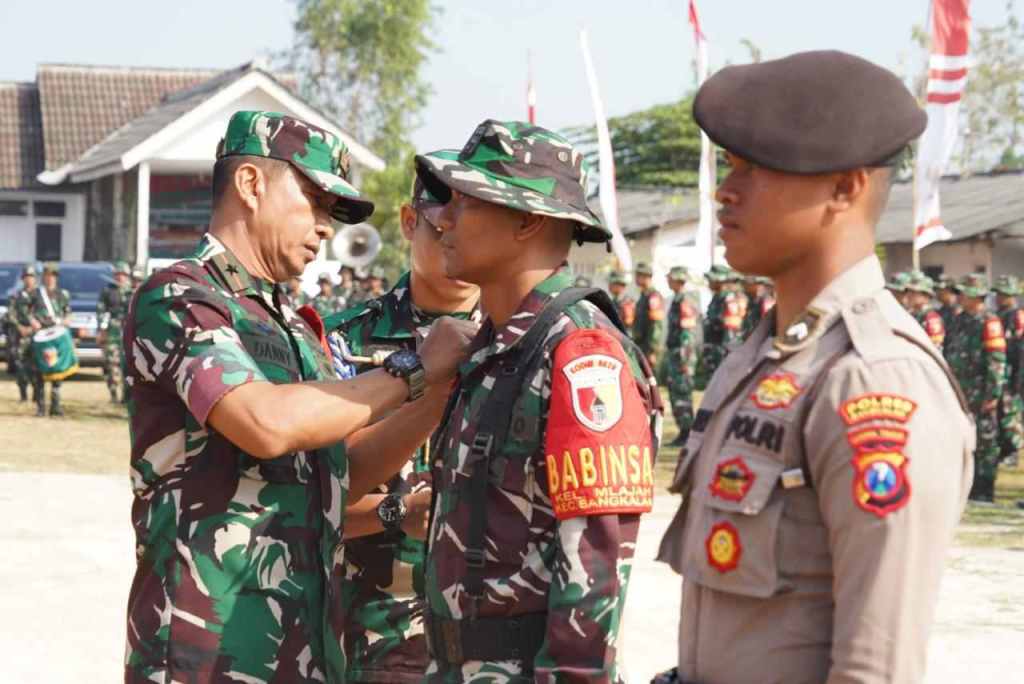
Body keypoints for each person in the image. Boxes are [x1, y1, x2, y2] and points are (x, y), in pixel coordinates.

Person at [121, 110, 476, 683]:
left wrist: (436, 397)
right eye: (314, 202)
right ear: (250, 184)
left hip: (305, 649)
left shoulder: (296, 328)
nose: (325, 227)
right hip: (207, 647)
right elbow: (263, 422)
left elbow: (342, 473)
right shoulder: (182, 298)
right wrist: (413, 369)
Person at [656, 51, 973, 683]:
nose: (726, 190)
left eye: (756, 167)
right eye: (730, 165)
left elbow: (875, 669)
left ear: (844, 189)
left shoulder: (873, 377)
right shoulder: (766, 356)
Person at [414, 119, 662, 682]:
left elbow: (596, 563)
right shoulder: (497, 345)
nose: (442, 219)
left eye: (464, 201)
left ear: (527, 219)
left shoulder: (580, 354)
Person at [322, 162, 481, 683]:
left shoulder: (520, 343)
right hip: (369, 633)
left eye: (475, 230)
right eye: (444, 228)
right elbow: (313, 497)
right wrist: (398, 512)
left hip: (486, 636)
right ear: (410, 222)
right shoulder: (341, 341)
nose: (459, 246)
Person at [946, 273, 1006, 503]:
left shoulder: (989, 322)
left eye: (964, 293)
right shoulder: (958, 320)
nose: (960, 297)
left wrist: (993, 394)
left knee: (985, 443)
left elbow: (996, 360)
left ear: (975, 296)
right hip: (959, 393)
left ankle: (984, 489)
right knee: (961, 440)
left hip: (981, 393)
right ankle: (967, 487)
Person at [20, 263, 72, 417]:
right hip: (41, 337)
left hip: (56, 337)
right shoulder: (35, 294)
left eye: (53, 276)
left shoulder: (62, 294)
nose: (50, 279)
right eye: (48, 276)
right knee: (39, 372)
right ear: (43, 277)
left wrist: (66, 321)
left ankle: (55, 406)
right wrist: (32, 321)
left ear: (56, 278)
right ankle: (41, 407)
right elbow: (24, 310)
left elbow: (68, 313)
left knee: (57, 371)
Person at [665, 266, 702, 448]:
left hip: (682, 355)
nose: (668, 280)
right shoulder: (677, 299)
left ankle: (687, 432)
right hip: (675, 354)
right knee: (675, 392)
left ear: (678, 279)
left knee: (682, 392)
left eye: (670, 278)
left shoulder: (685, 301)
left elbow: (687, 333)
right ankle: (683, 430)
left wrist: (685, 359)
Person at [696, 264, 746, 389]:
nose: (709, 282)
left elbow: (731, 333)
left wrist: (727, 358)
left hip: (722, 354)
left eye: (711, 279)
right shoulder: (717, 298)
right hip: (713, 352)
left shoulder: (729, 299)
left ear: (721, 280)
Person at [992, 275, 1024, 468]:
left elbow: (1019, 348)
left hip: (1012, 372)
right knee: (1000, 413)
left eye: (1002, 294)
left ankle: (1013, 451)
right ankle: (1004, 450)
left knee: (1011, 414)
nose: (998, 298)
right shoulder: (998, 315)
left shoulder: (1017, 315)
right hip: (1000, 372)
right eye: (998, 294)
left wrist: (1017, 377)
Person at [96, 261, 134, 403]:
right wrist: (102, 330)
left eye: (123, 274)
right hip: (112, 332)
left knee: (128, 366)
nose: (120, 277)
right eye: (118, 274)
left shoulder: (133, 291)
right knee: (111, 364)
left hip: (129, 333)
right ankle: (113, 394)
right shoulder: (107, 291)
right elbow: (101, 311)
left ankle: (126, 396)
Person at [8, 266, 38, 403]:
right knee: (20, 365)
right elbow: (10, 314)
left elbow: (44, 314)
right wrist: (19, 327)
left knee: (36, 366)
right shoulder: (16, 296)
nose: (29, 279)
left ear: (35, 279)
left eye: (31, 277)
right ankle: (23, 395)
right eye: (26, 277)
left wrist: (34, 327)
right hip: (20, 336)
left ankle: (37, 394)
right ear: (22, 279)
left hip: (37, 336)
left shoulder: (40, 296)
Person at [632, 262, 665, 367]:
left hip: (648, 349)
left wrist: (652, 351)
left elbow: (656, 325)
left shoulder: (653, 296)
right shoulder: (643, 296)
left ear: (647, 277)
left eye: (638, 275)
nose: (636, 278)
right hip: (641, 346)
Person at [904, 270, 946, 350]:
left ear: (926, 296)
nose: (909, 295)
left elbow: (934, 348)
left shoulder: (931, 318)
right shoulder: (911, 314)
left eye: (913, 292)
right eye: (908, 291)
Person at [607, 270, 635, 335]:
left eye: (612, 284)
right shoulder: (612, 301)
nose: (609, 286)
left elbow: (628, 322)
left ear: (621, 286)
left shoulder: (627, 303)